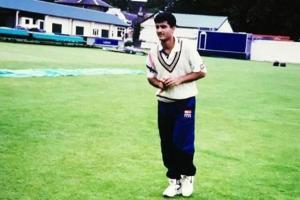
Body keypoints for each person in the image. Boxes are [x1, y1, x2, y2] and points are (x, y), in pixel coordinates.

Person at [145, 12, 207, 197]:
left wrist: (179, 80)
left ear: (173, 28)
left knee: (183, 141)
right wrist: (158, 83)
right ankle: (174, 181)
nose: (159, 30)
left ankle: (187, 176)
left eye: (163, 26)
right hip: (164, 103)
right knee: (167, 143)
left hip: (185, 102)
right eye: (157, 27)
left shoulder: (187, 48)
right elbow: (150, 76)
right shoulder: (153, 52)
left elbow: (202, 72)